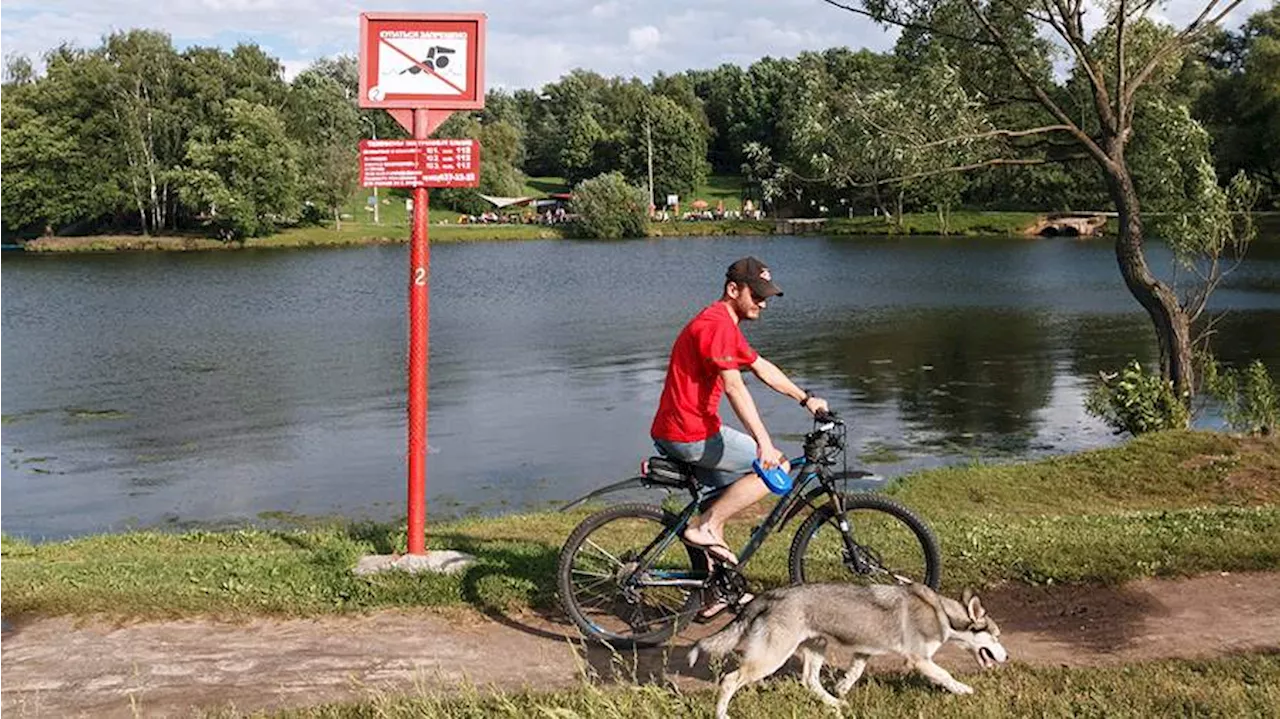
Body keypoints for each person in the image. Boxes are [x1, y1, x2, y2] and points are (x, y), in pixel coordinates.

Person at [650, 257, 829, 613]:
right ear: (733, 290)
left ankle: (712, 589)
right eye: (757, 295)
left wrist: (806, 399)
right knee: (772, 471)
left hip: (684, 428)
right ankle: (707, 528)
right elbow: (734, 386)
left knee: (723, 498)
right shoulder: (716, 326)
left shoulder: (724, 326)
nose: (763, 303)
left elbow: (762, 368)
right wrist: (764, 444)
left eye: (767, 296)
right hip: (689, 433)